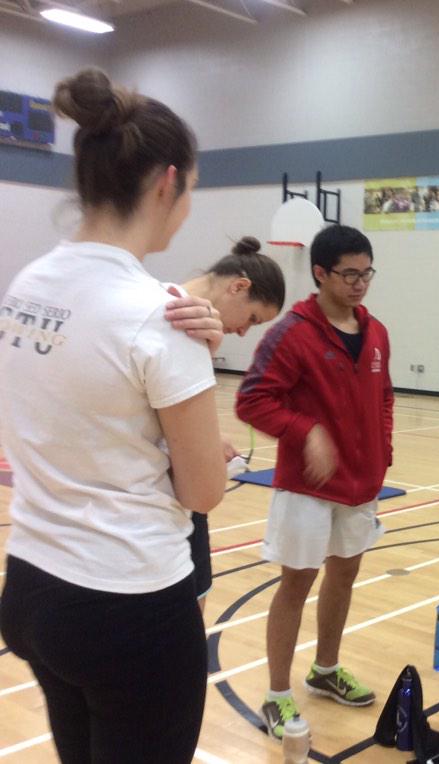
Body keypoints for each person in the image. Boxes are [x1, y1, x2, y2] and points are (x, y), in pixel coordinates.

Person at [0, 68, 225, 763]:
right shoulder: (161, 318)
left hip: (32, 587)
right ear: (168, 183)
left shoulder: (27, 283)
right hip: (127, 606)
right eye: (191, 188)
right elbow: (204, 492)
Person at [235, 224, 393, 740]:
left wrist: (382, 453)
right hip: (306, 487)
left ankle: (325, 670)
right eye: (350, 274)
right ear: (320, 273)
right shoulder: (291, 333)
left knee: (345, 576)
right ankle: (277, 696)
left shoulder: (376, 333)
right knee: (296, 584)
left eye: (366, 273)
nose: (360, 283)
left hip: (360, 486)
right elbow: (252, 399)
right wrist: (305, 432)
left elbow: (384, 399)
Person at [164, 236, 286, 609]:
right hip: (159, 509)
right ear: (239, 286)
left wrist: (209, 438)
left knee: (195, 606)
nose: (246, 331)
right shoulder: (169, 315)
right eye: (251, 318)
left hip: (179, 505)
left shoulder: (198, 328)